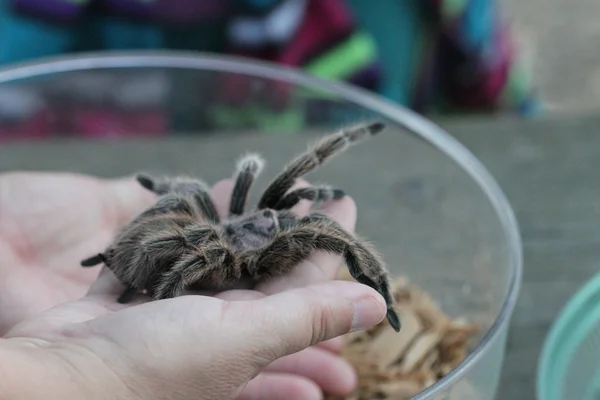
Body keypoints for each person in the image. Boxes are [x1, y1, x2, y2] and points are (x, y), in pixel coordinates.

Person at [0, 171, 387, 400]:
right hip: (194, 253)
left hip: (167, 249)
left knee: (194, 203)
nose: (270, 217)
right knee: (329, 234)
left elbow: (184, 199)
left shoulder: (214, 221)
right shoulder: (220, 245)